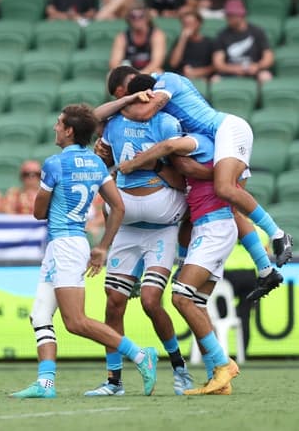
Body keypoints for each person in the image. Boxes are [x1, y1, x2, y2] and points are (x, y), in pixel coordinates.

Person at [97, 68, 289, 300]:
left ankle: (277, 234)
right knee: (208, 210)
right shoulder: (164, 116)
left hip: (227, 132)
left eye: (124, 93)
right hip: (210, 143)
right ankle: (265, 269)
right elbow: (98, 117)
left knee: (225, 190)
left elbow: (146, 113)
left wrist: (136, 162)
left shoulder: (166, 80)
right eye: (119, 98)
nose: (124, 100)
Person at [10, 104, 158, 399]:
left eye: (59, 123)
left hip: (64, 244)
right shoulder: (96, 164)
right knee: (40, 314)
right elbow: (118, 206)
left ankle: (141, 355)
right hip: (70, 244)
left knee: (76, 321)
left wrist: (45, 197)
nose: (55, 127)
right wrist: (102, 246)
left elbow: (39, 212)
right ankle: (46, 384)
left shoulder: (54, 164)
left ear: (69, 131)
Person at [85, 101, 194, 397]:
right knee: (113, 302)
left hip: (162, 231)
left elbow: (183, 180)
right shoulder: (112, 127)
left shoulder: (168, 125)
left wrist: (154, 164)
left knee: (150, 300)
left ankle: (179, 367)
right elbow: (108, 178)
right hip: (126, 230)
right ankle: (114, 381)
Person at [118, 131, 241, 395]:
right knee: (195, 303)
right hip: (204, 232)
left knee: (180, 297)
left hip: (214, 229)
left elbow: (187, 164)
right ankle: (217, 379)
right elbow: (185, 212)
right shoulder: (188, 170)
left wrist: (148, 161)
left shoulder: (201, 149)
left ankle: (222, 363)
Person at [212, 0, 274, 83]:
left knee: (265, 77)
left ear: (240, 15)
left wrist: (257, 66)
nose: (228, 18)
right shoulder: (222, 35)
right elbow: (218, 63)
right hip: (230, 72)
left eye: (231, 15)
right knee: (215, 80)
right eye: (227, 15)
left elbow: (268, 57)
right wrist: (234, 69)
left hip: (254, 71)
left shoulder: (257, 32)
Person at [109, 3, 167, 74]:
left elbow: (157, 62)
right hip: (129, 73)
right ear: (128, 19)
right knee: (111, 74)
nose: (137, 19)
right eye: (133, 16)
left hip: (149, 71)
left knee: (158, 72)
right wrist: (128, 75)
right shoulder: (122, 37)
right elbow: (114, 63)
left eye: (141, 16)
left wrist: (141, 74)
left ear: (147, 17)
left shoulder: (156, 35)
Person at [168, 9, 215, 80]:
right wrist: (183, 39)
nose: (188, 27)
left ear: (199, 23)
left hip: (202, 78)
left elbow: (214, 66)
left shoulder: (208, 42)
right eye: (185, 24)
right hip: (181, 78)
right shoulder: (179, 41)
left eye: (190, 23)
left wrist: (197, 72)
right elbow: (173, 63)